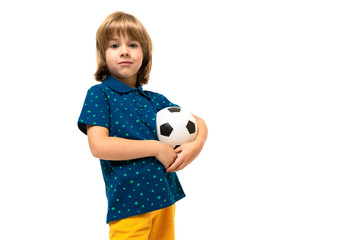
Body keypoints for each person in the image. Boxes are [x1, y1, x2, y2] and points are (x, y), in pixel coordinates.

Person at [78, 11, 208, 240]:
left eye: (133, 44)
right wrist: (156, 148)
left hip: (165, 199)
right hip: (129, 204)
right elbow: (99, 145)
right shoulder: (100, 94)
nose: (124, 51)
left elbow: (198, 122)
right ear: (103, 54)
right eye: (114, 45)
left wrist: (196, 145)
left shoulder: (154, 100)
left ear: (145, 54)